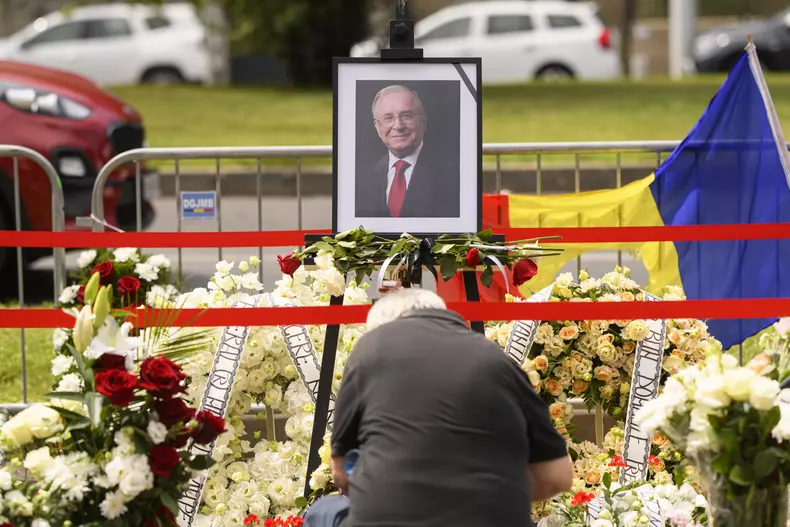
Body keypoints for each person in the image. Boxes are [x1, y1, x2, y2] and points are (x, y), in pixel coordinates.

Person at [327, 288, 572, 527]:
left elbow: (340, 469)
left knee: (323, 511)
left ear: (384, 328)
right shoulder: (497, 359)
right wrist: (487, 494)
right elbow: (558, 475)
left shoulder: (371, 348)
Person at [355, 84, 460, 219]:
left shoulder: (452, 173)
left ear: (423, 122)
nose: (398, 126)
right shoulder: (362, 177)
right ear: (377, 126)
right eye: (388, 118)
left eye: (406, 116)